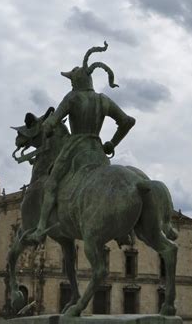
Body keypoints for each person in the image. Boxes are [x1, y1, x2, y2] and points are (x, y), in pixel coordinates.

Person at [26, 42, 135, 243]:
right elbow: (128, 122)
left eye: (71, 81)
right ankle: (123, 231)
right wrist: (112, 143)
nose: (70, 84)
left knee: (51, 184)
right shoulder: (103, 100)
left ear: (76, 81)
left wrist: (48, 127)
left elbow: (52, 121)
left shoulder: (73, 98)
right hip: (98, 152)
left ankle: (41, 228)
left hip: (75, 150)